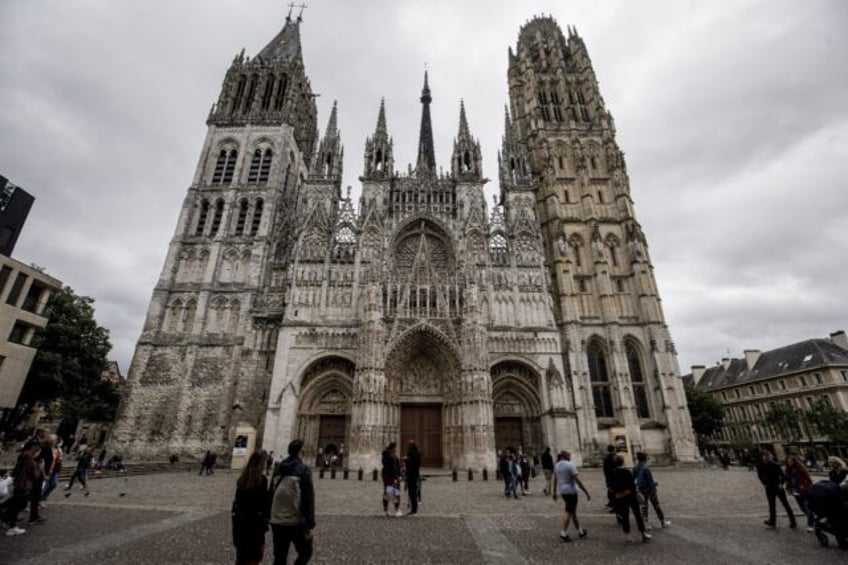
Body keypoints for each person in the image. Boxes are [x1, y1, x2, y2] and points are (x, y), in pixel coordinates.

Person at [270, 439, 315, 565]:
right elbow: (307, 498)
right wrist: (310, 524)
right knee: (306, 551)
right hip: (295, 521)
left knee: (279, 556)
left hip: (277, 520)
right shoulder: (303, 469)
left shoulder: (278, 469)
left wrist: (269, 516)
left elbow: (271, 494)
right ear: (301, 452)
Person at [232, 450, 271, 565]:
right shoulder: (261, 480)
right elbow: (265, 504)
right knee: (255, 556)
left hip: (240, 523)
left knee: (241, 556)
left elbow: (237, 501)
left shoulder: (241, 480)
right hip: (254, 525)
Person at [550, 450, 591, 543]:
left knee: (572, 511)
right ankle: (563, 533)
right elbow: (577, 480)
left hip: (563, 491)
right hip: (571, 491)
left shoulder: (557, 465)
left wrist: (554, 492)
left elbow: (555, 479)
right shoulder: (570, 465)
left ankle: (580, 531)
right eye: (569, 455)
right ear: (566, 456)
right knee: (568, 511)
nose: (570, 457)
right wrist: (586, 492)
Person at [611, 455, 651, 543]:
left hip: (620, 497)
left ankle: (628, 536)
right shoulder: (627, 472)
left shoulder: (613, 473)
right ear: (623, 462)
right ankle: (643, 533)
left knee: (625, 517)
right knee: (637, 515)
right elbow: (632, 485)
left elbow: (612, 486)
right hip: (631, 496)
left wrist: (618, 494)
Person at [4, 441, 41, 536]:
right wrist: (40, 467)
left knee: (14, 503)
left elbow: (16, 470)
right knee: (19, 505)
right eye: (37, 449)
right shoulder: (30, 460)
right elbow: (35, 475)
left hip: (18, 483)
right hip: (24, 484)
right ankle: (11, 526)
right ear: (33, 448)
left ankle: (7, 520)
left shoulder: (22, 457)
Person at [757, 449, 796, 529]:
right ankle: (772, 521)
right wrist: (764, 484)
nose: (765, 458)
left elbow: (784, 476)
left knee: (785, 504)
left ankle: (793, 521)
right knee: (771, 505)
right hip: (769, 487)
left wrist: (781, 484)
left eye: (767, 456)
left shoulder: (775, 465)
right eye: (764, 456)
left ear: (769, 456)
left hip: (777, 486)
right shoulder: (760, 466)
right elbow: (760, 476)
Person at [633, 452, 670, 530]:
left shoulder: (635, 468)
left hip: (641, 489)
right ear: (645, 459)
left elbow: (633, 478)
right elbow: (650, 481)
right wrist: (654, 488)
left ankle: (646, 524)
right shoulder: (646, 468)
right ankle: (662, 522)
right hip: (649, 490)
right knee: (656, 506)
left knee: (644, 507)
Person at [784, 454, 814, 532]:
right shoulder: (788, 469)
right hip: (795, 490)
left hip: (803, 490)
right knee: (802, 507)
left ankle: (810, 523)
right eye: (788, 461)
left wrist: (804, 486)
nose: (789, 462)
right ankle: (812, 519)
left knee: (807, 506)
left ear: (794, 461)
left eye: (790, 461)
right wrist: (788, 488)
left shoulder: (800, 468)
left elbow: (808, 480)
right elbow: (788, 480)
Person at [381, 442, 402, 516]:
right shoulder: (391, 456)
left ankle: (385, 510)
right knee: (395, 492)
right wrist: (396, 477)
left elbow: (385, 465)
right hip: (391, 477)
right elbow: (393, 467)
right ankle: (397, 510)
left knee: (387, 492)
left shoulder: (385, 454)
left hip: (386, 476)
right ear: (394, 447)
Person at [41, 434, 63, 503]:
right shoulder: (47, 448)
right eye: (54, 440)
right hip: (47, 469)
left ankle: (43, 498)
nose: (56, 441)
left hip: (55, 469)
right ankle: (39, 500)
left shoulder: (59, 449)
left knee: (54, 484)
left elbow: (60, 458)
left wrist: (60, 460)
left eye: (56, 440)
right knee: (45, 486)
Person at [405, 440, 421, 515]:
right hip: (414, 474)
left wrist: (406, 459)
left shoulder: (413, 453)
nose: (408, 447)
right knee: (412, 492)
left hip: (411, 474)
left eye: (409, 445)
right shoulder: (417, 452)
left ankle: (413, 509)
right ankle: (413, 509)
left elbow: (412, 462)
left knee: (412, 492)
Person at [602, 444, 617, 512]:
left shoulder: (606, 458)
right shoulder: (613, 458)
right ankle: (614, 506)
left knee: (610, 489)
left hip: (608, 476)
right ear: (613, 450)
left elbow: (605, 469)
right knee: (614, 491)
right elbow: (615, 467)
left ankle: (611, 503)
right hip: (613, 477)